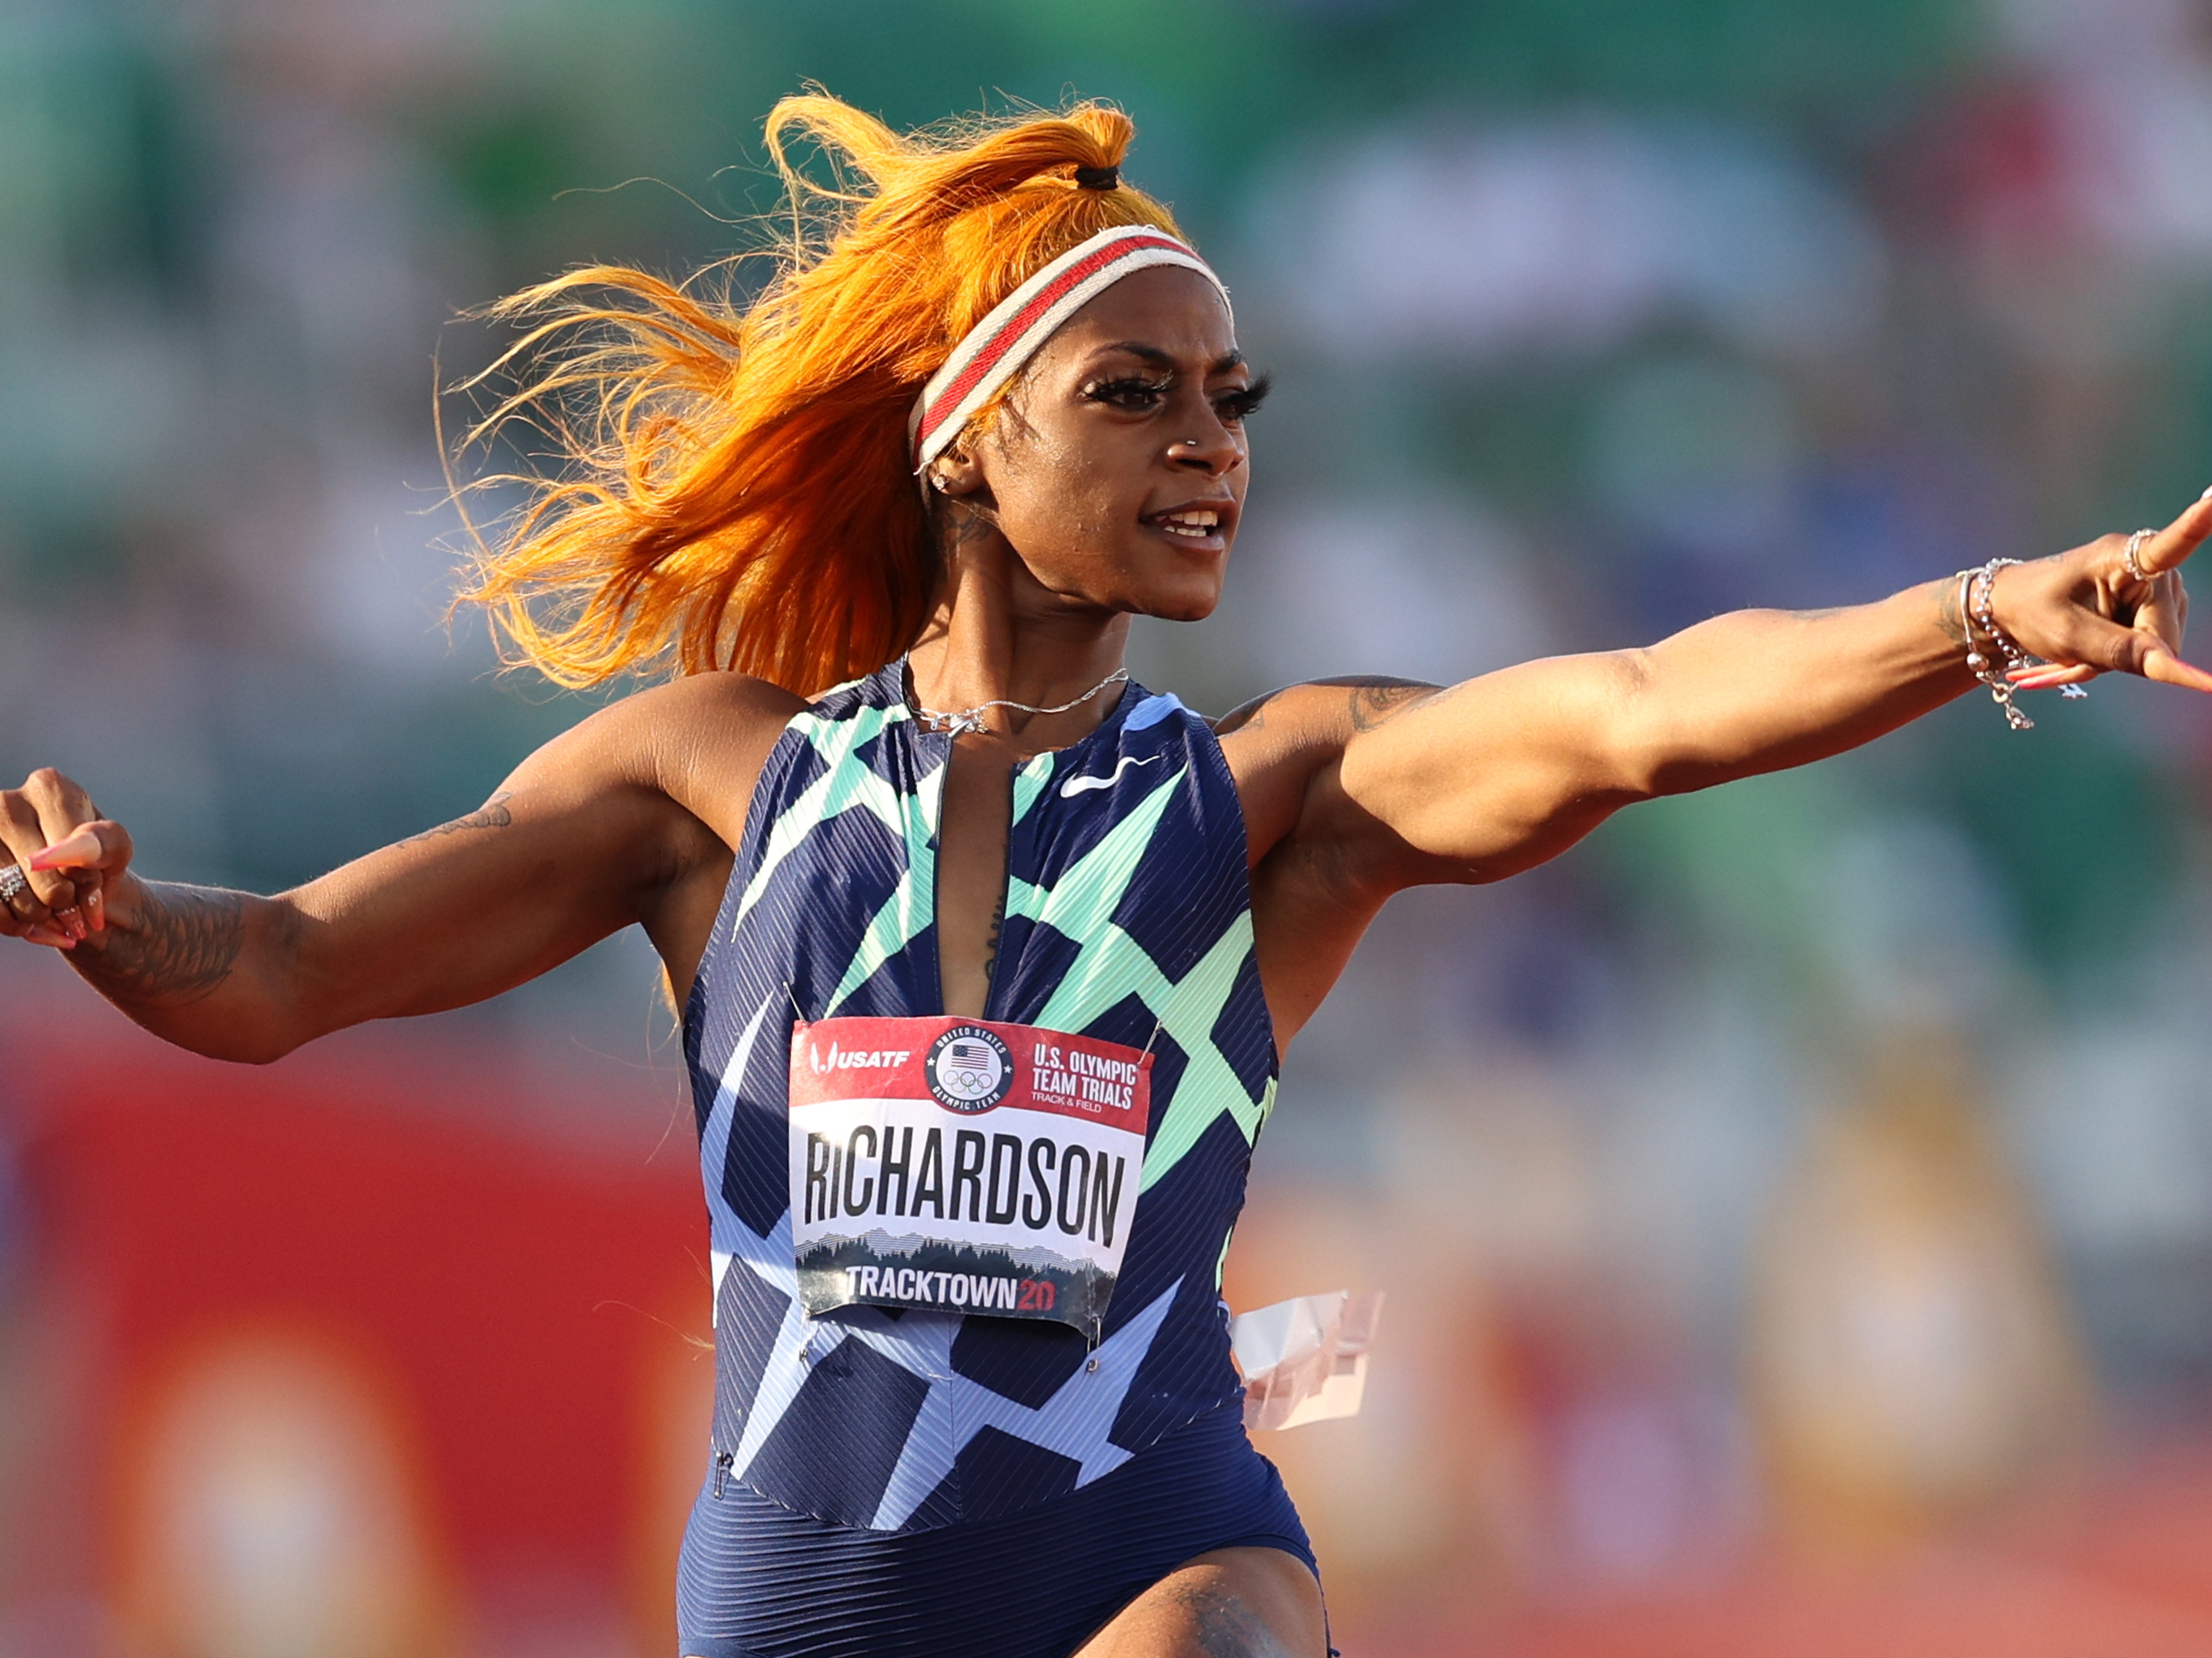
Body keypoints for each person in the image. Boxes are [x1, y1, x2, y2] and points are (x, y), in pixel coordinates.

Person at [1, 93, 2208, 1658]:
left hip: (1151, 1550)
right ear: (967, 439)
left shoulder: (1277, 793)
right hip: (798, 1598)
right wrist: (112, 923)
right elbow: (280, 969)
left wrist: (1993, 612)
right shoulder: (708, 787)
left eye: (1232, 401)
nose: (1210, 447)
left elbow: (1637, 706)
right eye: (1135, 394)